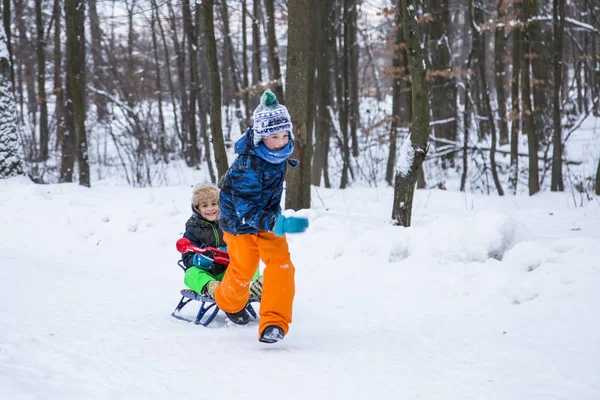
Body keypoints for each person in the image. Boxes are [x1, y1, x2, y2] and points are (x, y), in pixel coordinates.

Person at [215, 90, 309, 343]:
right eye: (274, 136)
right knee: (244, 270)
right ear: (259, 137)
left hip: (267, 219)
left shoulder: (277, 156)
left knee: (282, 265)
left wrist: (273, 220)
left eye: (284, 135)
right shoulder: (247, 165)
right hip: (239, 224)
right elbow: (244, 209)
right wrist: (278, 222)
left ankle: (274, 323)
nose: (281, 142)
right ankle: (228, 301)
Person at [181, 184, 262, 300]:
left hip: (229, 272)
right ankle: (211, 288)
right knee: (190, 274)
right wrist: (198, 260)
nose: (210, 209)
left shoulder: (229, 224)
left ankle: (252, 286)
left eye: (214, 204)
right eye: (205, 205)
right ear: (197, 209)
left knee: (249, 263)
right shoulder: (193, 229)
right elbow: (186, 257)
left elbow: (242, 245)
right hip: (208, 274)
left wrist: (233, 250)